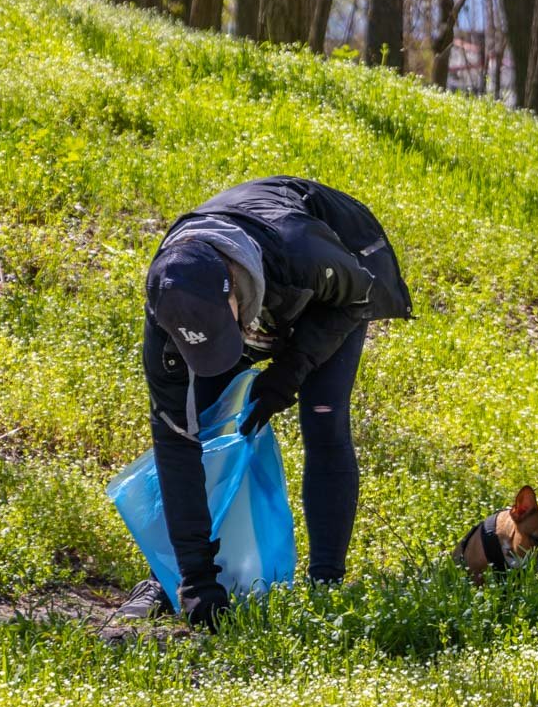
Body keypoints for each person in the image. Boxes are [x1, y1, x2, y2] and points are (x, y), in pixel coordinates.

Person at [118, 176, 413, 629]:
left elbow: (359, 292)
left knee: (324, 416)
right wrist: (194, 578)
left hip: (336, 285)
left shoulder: (301, 251)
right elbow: (176, 444)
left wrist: (289, 372)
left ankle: (326, 584)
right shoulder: (169, 303)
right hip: (256, 288)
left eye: (224, 332)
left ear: (233, 292)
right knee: (207, 425)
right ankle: (170, 578)